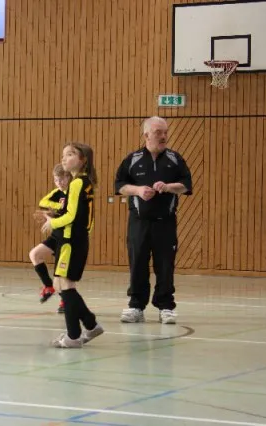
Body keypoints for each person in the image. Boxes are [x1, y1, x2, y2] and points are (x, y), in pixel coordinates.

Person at [114, 116, 192, 324]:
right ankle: (136, 306)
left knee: (165, 265)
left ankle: (165, 306)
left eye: (165, 132)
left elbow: (186, 185)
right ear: (146, 135)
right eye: (159, 132)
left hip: (165, 222)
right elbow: (120, 186)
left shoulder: (175, 159)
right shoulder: (132, 159)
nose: (164, 136)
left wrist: (168, 187)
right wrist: (138, 190)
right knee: (138, 263)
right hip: (138, 223)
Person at [41, 143, 103, 348]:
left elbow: (71, 215)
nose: (64, 158)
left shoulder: (77, 183)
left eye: (70, 154)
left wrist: (52, 223)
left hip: (71, 241)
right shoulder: (84, 182)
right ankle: (90, 325)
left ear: (83, 160)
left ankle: (74, 336)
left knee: (66, 286)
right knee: (60, 284)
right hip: (74, 239)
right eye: (63, 155)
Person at [30, 164, 70, 313]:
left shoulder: (73, 193)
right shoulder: (57, 193)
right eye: (56, 180)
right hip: (55, 235)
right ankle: (48, 286)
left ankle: (65, 301)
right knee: (35, 255)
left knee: (61, 274)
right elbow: (43, 202)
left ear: (68, 177)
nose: (59, 183)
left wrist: (54, 215)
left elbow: (69, 212)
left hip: (67, 238)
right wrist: (51, 212)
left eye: (62, 179)